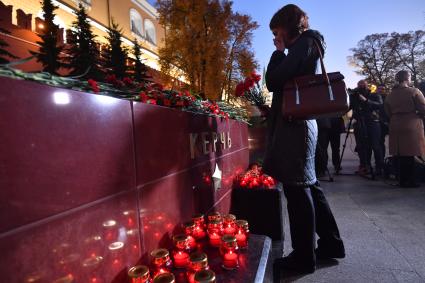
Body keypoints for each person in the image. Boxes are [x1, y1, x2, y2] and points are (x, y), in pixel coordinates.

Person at [263, 4, 345, 274]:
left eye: (277, 31)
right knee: (310, 186)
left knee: (297, 191)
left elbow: (274, 81)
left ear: (286, 26)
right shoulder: (308, 44)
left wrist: (277, 53)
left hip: (295, 126)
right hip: (302, 124)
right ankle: (331, 244)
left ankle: (303, 257)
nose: (276, 37)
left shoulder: (302, 45)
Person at [384, 70, 425, 187]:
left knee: (400, 154)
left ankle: (401, 180)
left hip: (395, 125)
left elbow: (387, 111)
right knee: (412, 154)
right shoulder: (414, 91)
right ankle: (411, 181)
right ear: (407, 78)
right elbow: (423, 108)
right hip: (411, 124)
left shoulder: (390, 95)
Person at [350, 80, 384, 176]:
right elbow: (347, 107)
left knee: (375, 146)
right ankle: (365, 166)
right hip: (360, 123)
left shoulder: (375, 95)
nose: (361, 87)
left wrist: (366, 100)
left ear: (367, 86)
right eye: (359, 85)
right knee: (362, 147)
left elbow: (380, 105)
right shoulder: (354, 97)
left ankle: (379, 168)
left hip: (373, 123)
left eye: (363, 85)